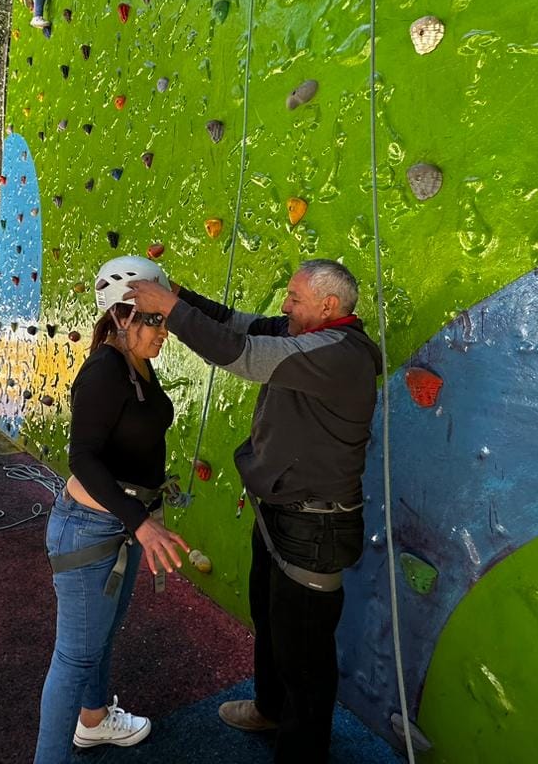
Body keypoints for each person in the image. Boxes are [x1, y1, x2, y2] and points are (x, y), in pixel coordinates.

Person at [124, 259, 382, 764]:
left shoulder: (338, 353)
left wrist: (169, 309)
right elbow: (237, 324)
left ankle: (300, 752)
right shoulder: (303, 333)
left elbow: (238, 353)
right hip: (282, 512)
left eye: (294, 298)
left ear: (328, 307)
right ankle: (269, 707)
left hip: (316, 525)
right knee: (270, 618)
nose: (284, 306)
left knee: (304, 654)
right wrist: (181, 292)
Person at [34, 255, 190, 763]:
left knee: (97, 639)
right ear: (121, 315)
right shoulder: (105, 368)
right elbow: (82, 456)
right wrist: (141, 523)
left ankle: (94, 722)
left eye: (164, 317)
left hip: (113, 525)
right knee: (75, 656)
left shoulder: (136, 363)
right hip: (91, 529)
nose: (164, 330)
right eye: (154, 318)